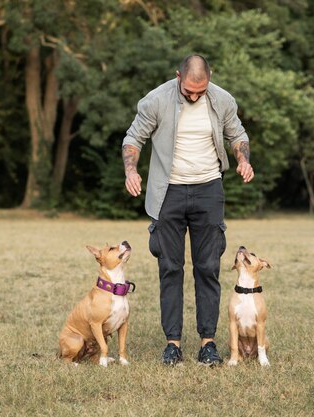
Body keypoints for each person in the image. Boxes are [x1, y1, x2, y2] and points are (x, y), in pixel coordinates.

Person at [122, 54, 254, 366]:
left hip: (208, 189)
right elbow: (133, 139)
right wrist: (131, 170)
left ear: (210, 79)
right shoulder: (155, 100)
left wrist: (243, 159)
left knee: (208, 268)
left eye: (201, 90)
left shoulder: (222, 100)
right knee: (170, 268)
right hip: (168, 193)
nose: (195, 96)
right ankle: (173, 344)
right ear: (178, 76)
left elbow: (237, 134)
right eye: (189, 90)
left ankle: (208, 343)